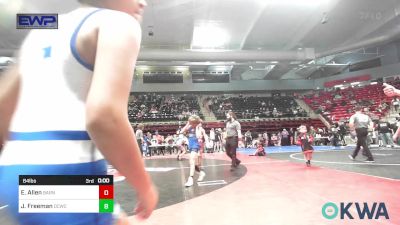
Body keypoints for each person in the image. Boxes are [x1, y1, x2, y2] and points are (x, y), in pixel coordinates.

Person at [0, 0, 158, 224]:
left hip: (16, 174)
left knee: (118, 220)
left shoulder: (47, 28)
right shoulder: (119, 22)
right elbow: (104, 117)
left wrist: (29, 165)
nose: (145, 2)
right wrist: (145, 186)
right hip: (67, 173)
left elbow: (3, 107)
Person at [180, 115, 207, 187]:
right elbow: (181, 131)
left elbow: (198, 136)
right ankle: (201, 173)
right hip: (191, 146)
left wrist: (197, 127)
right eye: (190, 122)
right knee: (193, 164)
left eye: (192, 122)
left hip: (196, 145)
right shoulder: (190, 126)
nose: (191, 124)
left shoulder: (199, 127)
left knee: (191, 159)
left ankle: (190, 178)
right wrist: (187, 124)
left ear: (195, 122)